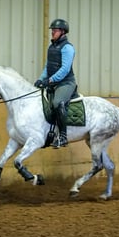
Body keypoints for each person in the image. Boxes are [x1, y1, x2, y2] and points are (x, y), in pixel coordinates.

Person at [34, 18, 77, 148]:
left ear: (63, 32)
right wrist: (41, 79)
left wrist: (50, 80)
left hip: (66, 83)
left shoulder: (67, 48)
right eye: (52, 30)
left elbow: (65, 69)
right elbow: (48, 66)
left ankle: (63, 137)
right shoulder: (52, 47)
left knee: (57, 103)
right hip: (53, 83)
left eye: (55, 30)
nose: (52, 32)